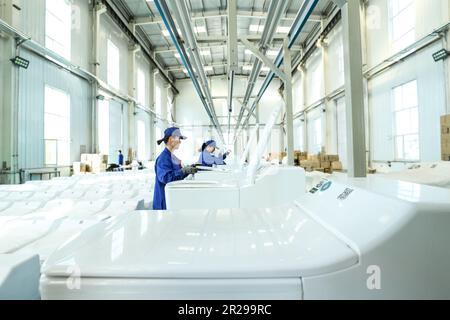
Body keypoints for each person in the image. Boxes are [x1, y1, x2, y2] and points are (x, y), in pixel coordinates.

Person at [153, 127, 198, 210]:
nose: (180, 142)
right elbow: (166, 178)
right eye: (179, 138)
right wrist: (184, 171)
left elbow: (178, 173)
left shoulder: (172, 157)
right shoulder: (163, 158)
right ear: (171, 139)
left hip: (171, 200)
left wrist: (188, 169)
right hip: (164, 203)